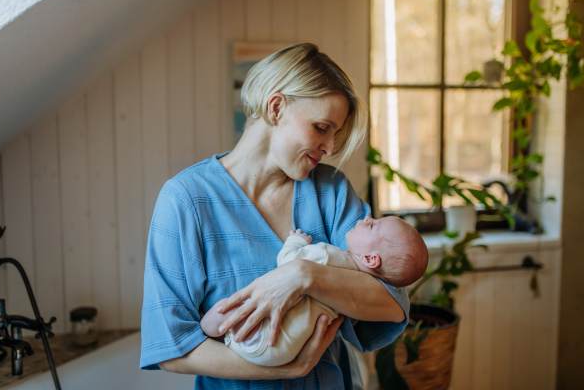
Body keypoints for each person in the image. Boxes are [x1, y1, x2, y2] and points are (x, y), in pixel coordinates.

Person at [140, 42, 410, 389]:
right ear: (276, 107)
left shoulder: (331, 190)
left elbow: (392, 300)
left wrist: (303, 275)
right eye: (321, 127)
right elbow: (171, 347)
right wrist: (282, 369)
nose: (329, 148)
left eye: (335, 134)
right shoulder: (186, 201)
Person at [200, 218, 428, 367]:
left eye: (371, 225)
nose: (366, 217)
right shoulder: (357, 291)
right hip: (285, 353)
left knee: (219, 315)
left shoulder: (329, 256)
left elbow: (287, 263)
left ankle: (208, 327)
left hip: (266, 333)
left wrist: (295, 241)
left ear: (370, 258)